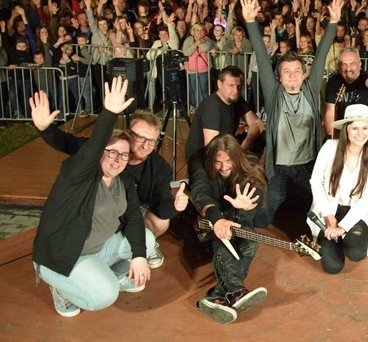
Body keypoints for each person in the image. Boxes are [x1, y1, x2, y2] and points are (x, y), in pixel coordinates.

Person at [32, 77, 156, 318]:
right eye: (111, 152)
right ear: (99, 153)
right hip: (64, 256)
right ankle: (62, 288)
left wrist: (140, 256)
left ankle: (108, 276)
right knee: (105, 295)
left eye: (124, 154)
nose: (118, 159)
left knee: (147, 240)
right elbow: (91, 147)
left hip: (96, 249)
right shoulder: (79, 174)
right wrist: (109, 113)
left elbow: (132, 215)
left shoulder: (123, 179)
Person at [242, 0, 341, 228]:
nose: (293, 75)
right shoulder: (274, 94)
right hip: (280, 170)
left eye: (297, 70)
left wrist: (334, 22)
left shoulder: (310, 89)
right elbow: (262, 58)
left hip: (308, 170)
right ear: (279, 77)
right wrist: (250, 22)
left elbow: (321, 55)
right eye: (287, 71)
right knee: (261, 220)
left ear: (305, 74)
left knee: (320, 220)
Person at [189, 134, 268, 323]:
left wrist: (249, 203)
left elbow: (258, 186)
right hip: (209, 218)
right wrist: (218, 220)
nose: (223, 167)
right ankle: (236, 292)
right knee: (224, 239)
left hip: (238, 214)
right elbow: (200, 192)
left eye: (228, 161)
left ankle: (217, 296)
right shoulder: (198, 159)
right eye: (218, 162)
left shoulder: (249, 160)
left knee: (250, 243)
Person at [307, 104, 368, 274]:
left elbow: (366, 198)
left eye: (365, 128)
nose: (360, 133)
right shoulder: (330, 147)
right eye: (355, 128)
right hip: (328, 210)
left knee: (356, 253)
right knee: (332, 267)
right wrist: (328, 216)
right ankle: (335, 241)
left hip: (355, 212)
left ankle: (343, 237)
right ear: (346, 129)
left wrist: (342, 228)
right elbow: (315, 181)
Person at [184, 66, 264, 163]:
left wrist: (247, 141)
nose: (236, 91)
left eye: (239, 86)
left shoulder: (236, 99)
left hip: (225, 145)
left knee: (262, 138)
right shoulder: (212, 106)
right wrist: (238, 156)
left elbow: (258, 124)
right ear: (219, 84)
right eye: (231, 86)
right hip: (203, 157)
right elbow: (212, 148)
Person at [323, 47, 368, 136]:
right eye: (344, 64)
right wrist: (330, 137)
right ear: (339, 67)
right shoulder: (333, 82)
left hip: (366, 134)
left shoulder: (365, 78)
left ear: (360, 65)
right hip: (343, 134)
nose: (348, 68)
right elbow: (330, 113)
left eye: (352, 63)